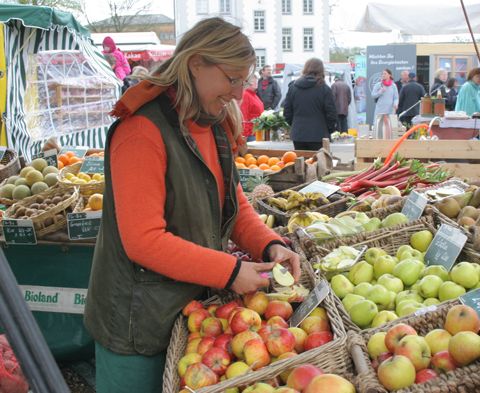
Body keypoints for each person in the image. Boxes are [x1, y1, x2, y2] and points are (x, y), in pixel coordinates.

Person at [84, 18, 301, 393]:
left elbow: (232, 203)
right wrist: (232, 272)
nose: (237, 93)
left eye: (242, 81)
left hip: (191, 314)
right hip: (139, 323)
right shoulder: (141, 131)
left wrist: (270, 244)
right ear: (196, 63)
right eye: (232, 79)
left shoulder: (211, 123)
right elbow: (143, 240)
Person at [283, 58, 337, 150]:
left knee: (300, 162)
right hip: (319, 134)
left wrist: (296, 124)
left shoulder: (293, 87)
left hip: (298, 133)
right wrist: (329, 129)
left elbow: (287, 112)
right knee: (318, 163)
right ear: (321, 70)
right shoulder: (324, 89)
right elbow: (331, 114)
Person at [240, 73, 264, 142]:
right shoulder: (245, 95)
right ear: (247, 82)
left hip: (257, 131)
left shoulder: (253, 94)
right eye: (253, 80)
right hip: (250, 134)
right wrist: (245, 135)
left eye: (256, 79)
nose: (256, 82)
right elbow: (243, 116)